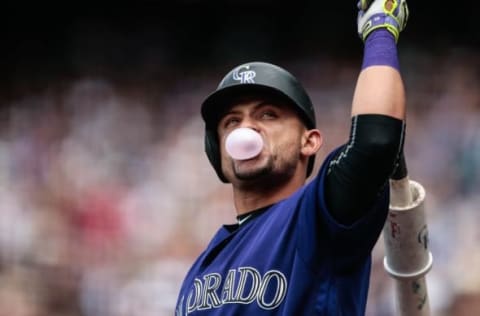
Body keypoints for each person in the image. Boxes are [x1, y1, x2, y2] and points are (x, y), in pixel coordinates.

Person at [175, 0, 409, 314]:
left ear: (309, 142)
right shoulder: (203, 265)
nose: (247, 128)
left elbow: (375, 143)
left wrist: (380, 29)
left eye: (268, 115)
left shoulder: (317, 217)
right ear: (217, 150)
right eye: (232, 121)